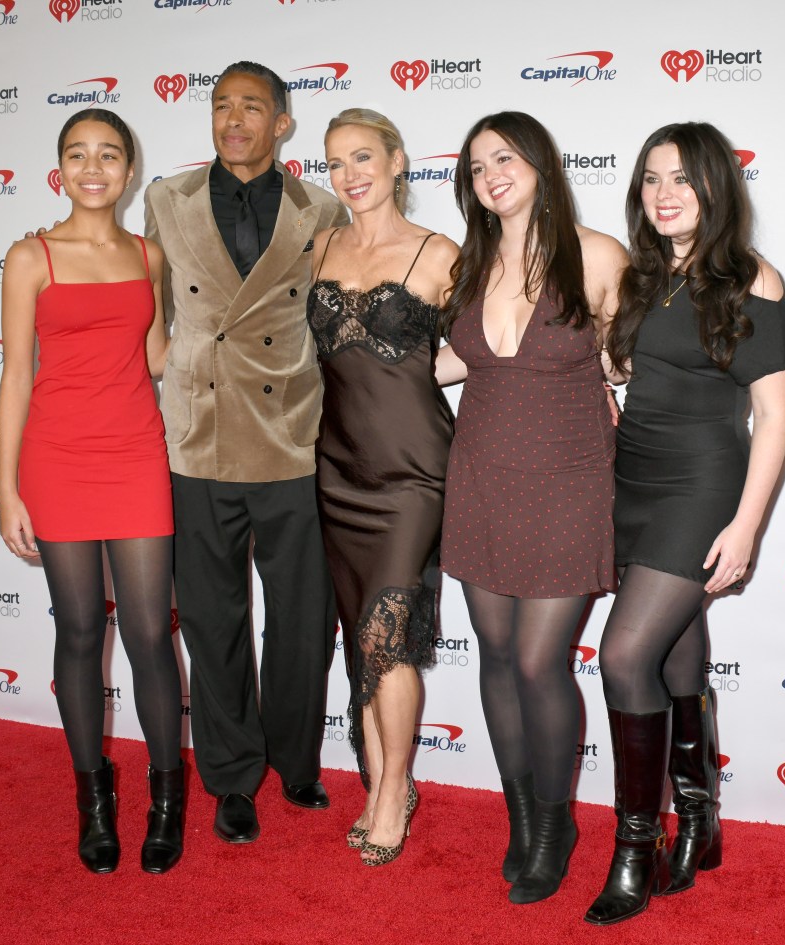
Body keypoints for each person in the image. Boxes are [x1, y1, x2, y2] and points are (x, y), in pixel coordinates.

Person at [584, 122, 785, 925]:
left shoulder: (753, 279)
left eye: (681, 178)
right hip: (631, 478)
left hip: (702, 485)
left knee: (623, 654)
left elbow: (773, 419)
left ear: (715, 186)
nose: (664, 194)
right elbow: (630, 372)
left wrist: (745, 527)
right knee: (674, 651)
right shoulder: (643, 276)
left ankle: (635, 844)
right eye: (649, 179)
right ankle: (701, 819)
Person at [143, 61, 348, 844]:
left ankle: (295, 761)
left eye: (252, 106)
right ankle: (232, 777)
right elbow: (138, 285)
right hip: (198, 438)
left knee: (302, 618)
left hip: (292, 436)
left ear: (282, 123)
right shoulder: (167, 199)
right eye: (222, 105)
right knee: (211, 616)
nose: (234, 119)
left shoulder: (321, 209)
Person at [435, 112, 625, 904]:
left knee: (543, 661)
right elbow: (445, 363)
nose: (490, 176)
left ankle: (555, 826)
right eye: (477, 167)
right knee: (497, 652)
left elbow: (621, 362)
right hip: (479, 475)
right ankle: (520, 817)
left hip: (571, 480)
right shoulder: (467, 265)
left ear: (540, 163)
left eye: (504, 158)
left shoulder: (598, 254)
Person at [0, 108, 184, 875]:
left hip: (136, 454)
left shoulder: (149, 255)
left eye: (109, 154)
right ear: (60, 168)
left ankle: (167, 801)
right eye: (78, 154)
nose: (94, 166)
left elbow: (157, 356)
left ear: (130, 170)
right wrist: (6, 487)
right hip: (57, 458)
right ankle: (94, 802)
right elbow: (16, 373)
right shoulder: (30, 256)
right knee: (78, 630)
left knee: (147, 635)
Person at [307, 108, 458, 866]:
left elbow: (489, 349)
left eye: (363, 157)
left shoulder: (439, 254)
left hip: (413, 472)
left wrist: (417, 367)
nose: (349, 175)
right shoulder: (322, 245)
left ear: (398, 161)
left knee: (387, 634)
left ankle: (394, 789)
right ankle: (376, 782)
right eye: (334, 163)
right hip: (335, 468)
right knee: (357, 638)